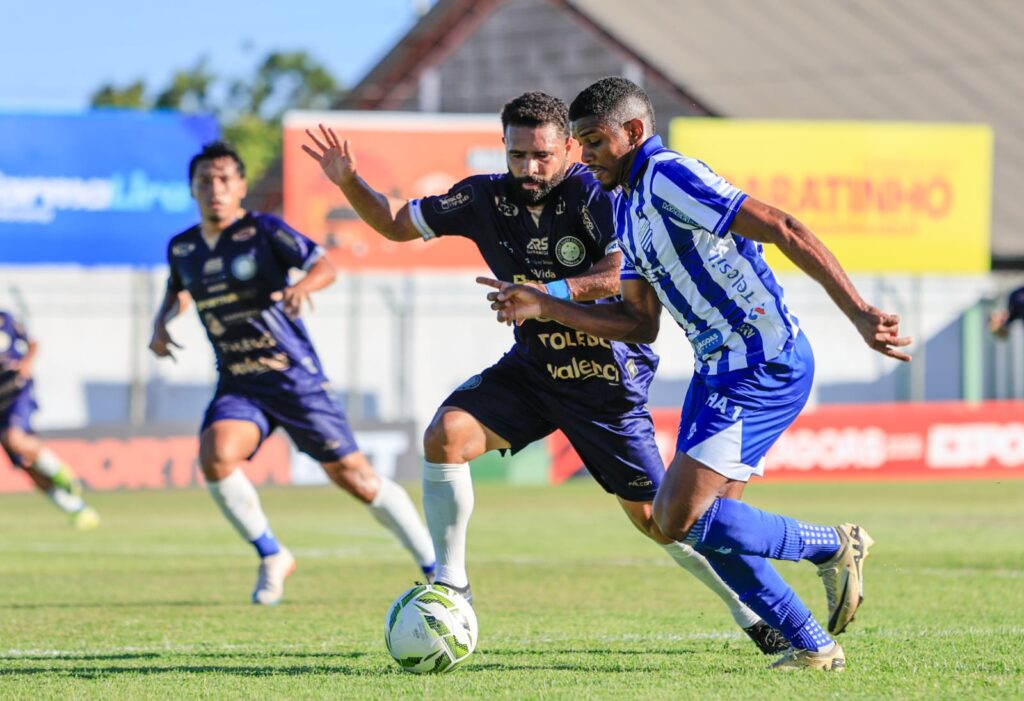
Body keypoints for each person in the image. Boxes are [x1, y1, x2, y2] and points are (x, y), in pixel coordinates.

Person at [303, 91, 788, 654]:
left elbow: (617, 272)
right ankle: (452, 586)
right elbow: (393, 223)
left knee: (661, 522)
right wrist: (348, 182)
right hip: (534, 371)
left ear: (568, 150)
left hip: (605, 380)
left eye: (542, 156)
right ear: (503, 148)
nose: (529, 168)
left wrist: (547, 294)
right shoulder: (482, 197)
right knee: (444, 437)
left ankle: (752, 614)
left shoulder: (599, 192)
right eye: (517, 156)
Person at [481, 77, 913, 671]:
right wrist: (547, 304)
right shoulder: (629, 212)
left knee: (673, 517)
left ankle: (833, 545)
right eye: (579, 143)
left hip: (764, 363)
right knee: (703, 528)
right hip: (717, 373)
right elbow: (638, 323)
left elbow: (784, 227)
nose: (585, 155)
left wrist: (860, 312)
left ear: (633, 133)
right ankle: (812, 646)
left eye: (594, 141)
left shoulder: (669, 175)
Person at [149, 141, 435, 606]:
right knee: (215, 456)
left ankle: (432, 564)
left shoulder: (264, 230)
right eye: (205, 180)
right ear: (192, 188)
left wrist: (302, 285)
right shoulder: (182, 247)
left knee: (355, 478)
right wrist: (160, 323)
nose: (215, 189)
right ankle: (272, 554)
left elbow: (325, 265)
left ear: (241, 186)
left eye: (224, 179)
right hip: (239, 381)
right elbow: (179, 289)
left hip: (292, 376)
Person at [0, 309, 100, 529]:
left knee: (14, 439)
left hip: (16, 392)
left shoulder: (6, 320)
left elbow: (33, 343)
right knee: (27, 466)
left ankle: (61, 473)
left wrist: (26, 363)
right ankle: (78, 509)